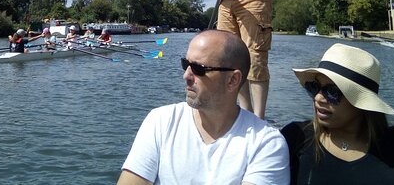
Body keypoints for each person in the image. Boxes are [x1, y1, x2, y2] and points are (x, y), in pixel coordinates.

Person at [117, 30, 289, 185]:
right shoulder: (160, 121)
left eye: (199, 69)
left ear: (232, 80)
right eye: (186, 64)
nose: (186, 75)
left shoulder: (266, 143)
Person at [281, 43, 394, 185]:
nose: (319, 98)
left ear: (362, 103)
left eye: (332, 92)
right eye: (314, 87)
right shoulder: (296, 137)